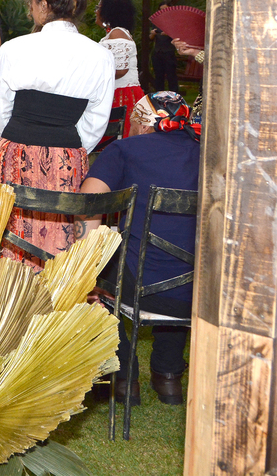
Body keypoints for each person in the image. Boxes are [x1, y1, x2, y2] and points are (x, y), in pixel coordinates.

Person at [0, 0, 114, 263]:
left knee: (11, 241)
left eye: (32, 2)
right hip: (66, 162)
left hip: (14, 155)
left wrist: (15, 142)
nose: (31, 9)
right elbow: (96, 122)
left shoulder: (15, 48)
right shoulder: (100, 56)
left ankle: (7, 303)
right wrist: (65, 147)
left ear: (43, 5)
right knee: (59, 246)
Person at [80, 91, 200, 405]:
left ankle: (123, 378)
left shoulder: (123, 149)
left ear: (141, 122)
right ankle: (168, 376)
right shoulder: (209, 153)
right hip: (201, 293)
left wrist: (86, 267)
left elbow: (88, 204)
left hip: (138, 287)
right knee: (177, 263)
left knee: (103, 267)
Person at [96, 0, 144, 134]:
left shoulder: (117, 33)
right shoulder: (116, 33)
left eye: (98, 8)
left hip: (122, 95)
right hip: (120, 91)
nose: (96, 11)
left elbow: (121, 70)